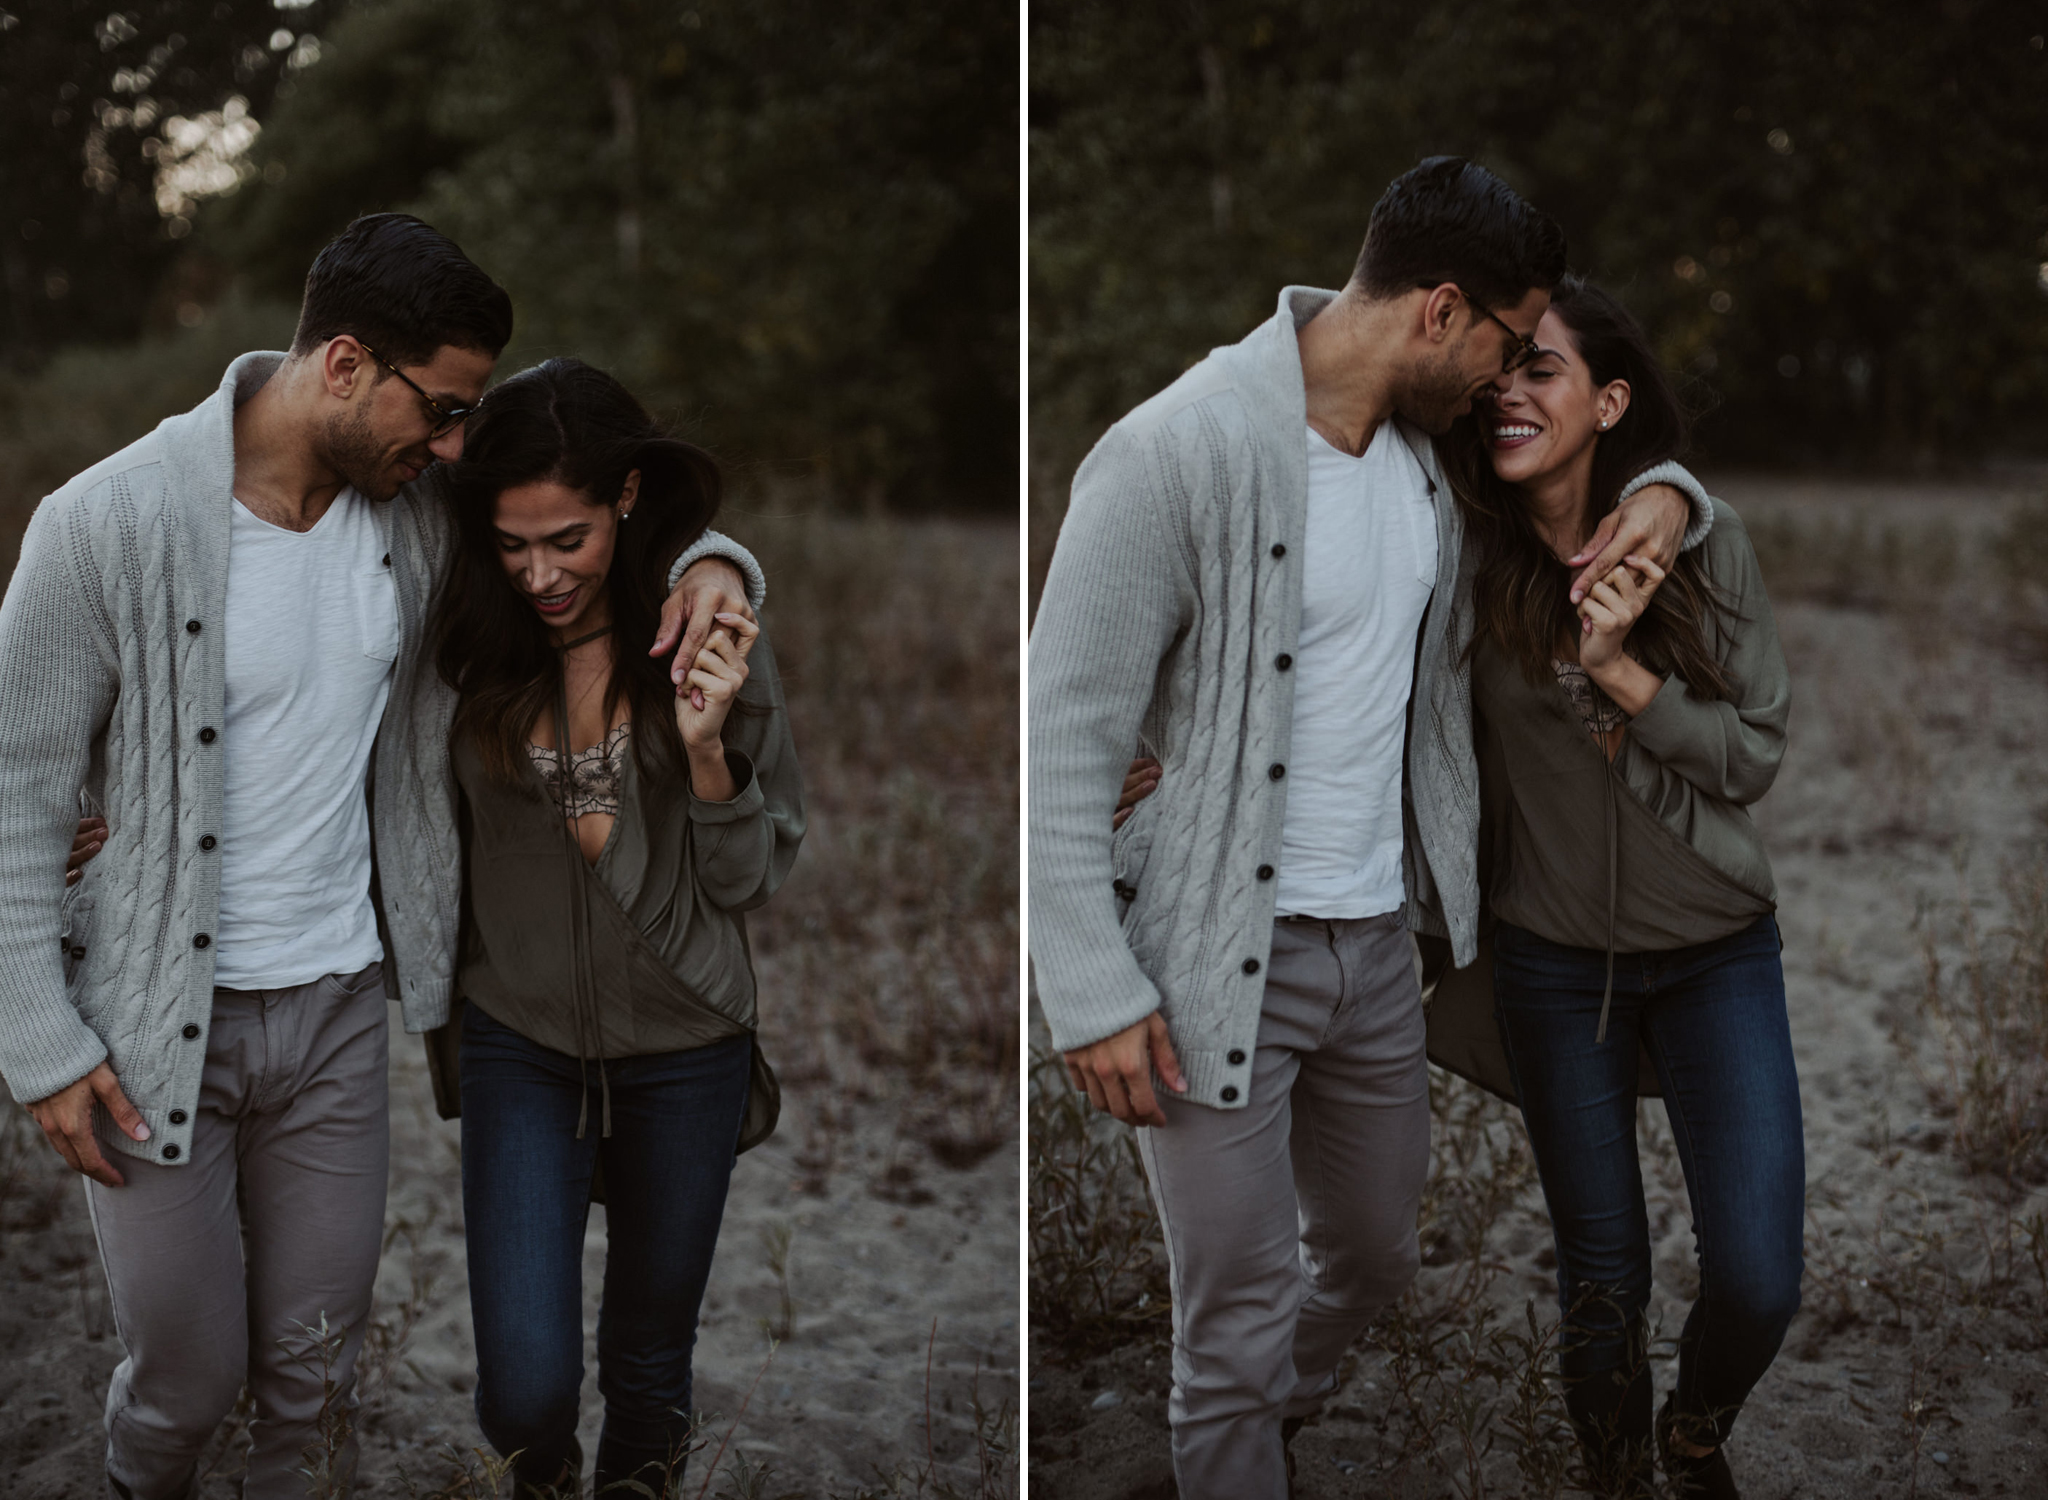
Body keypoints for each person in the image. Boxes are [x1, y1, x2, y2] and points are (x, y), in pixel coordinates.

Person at [0, 213, 763, 1499]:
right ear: (346, 365)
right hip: (148, 1028)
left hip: (342, 1009)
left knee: (314, 1378)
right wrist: (36, 1037)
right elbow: (14, 786)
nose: (458, 446)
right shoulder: (105, 524)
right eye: (447, 410)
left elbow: (590, 514)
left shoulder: (408, 517)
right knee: (184, 1387)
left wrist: (715, 563)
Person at [1027, 157, 1708, 1499]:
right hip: (1216, 959)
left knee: (1374, 1255)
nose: (1506, 385)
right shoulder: (1176, 450)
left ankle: (1239, 1444)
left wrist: (1674, 492)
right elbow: (1062, 736)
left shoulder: (1433, 460)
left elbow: (1614, 461)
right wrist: (1090, 986)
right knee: (1229, 1317)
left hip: (1380, 947)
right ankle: (1225, 1446)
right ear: (1440, 311)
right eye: (1506, 346)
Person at [1441, 276, 1798, 1499]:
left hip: (1716, 951)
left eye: (1539, 369)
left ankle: (1694, 1429)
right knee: (1600, 1276)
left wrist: (1621, 676)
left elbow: (1751, 757)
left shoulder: (1702, 541)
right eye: (1494, 372)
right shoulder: (1456, 550)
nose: (1506, 392)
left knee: (1757, 1275)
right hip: (1549, 965)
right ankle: (1615, 1475)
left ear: (1606, 401)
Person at [427, 358, 802, 1494]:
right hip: (514, 1040)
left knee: (648, 1369)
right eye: (512, 542)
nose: (540, 573)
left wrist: (702, 755)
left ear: (627, 498)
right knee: (526, 1391)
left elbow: (748, 880)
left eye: (569, 540)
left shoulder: (707, 635)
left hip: (687, 1048)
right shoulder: (462, 642)